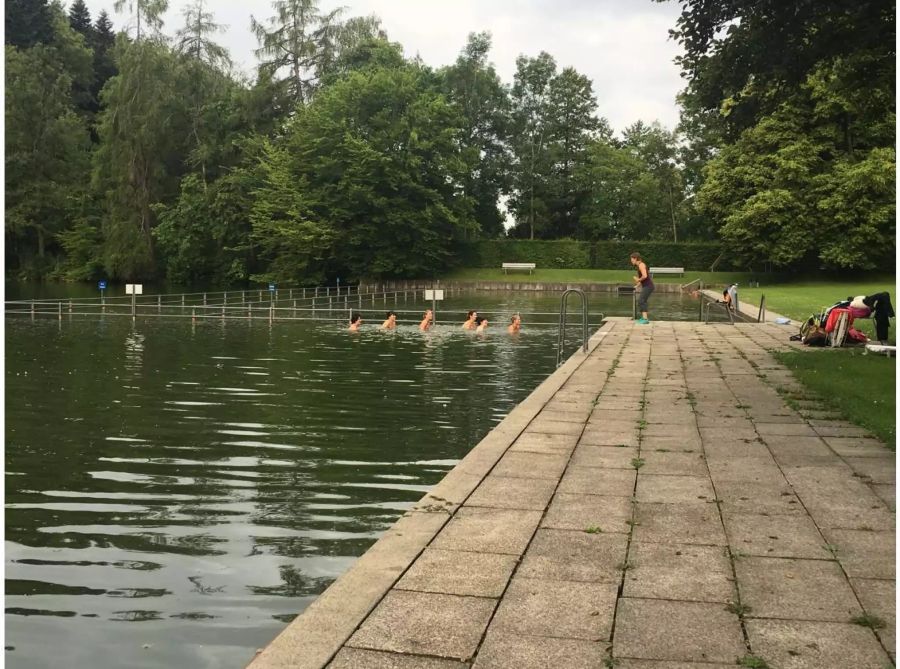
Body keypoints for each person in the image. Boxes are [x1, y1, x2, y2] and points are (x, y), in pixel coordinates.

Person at [630, 252, 653, 324]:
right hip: (647, 286)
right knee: (643, 301)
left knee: (641, 300)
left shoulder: (641, 265)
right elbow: (644, 278)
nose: (631, 261)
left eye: (632, 259)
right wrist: (637, 285)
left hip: (648, 286)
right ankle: (644, 318)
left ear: (635, 258)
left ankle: (645, 319)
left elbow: (645, 276)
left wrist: (638, 280)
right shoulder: (640, 265)